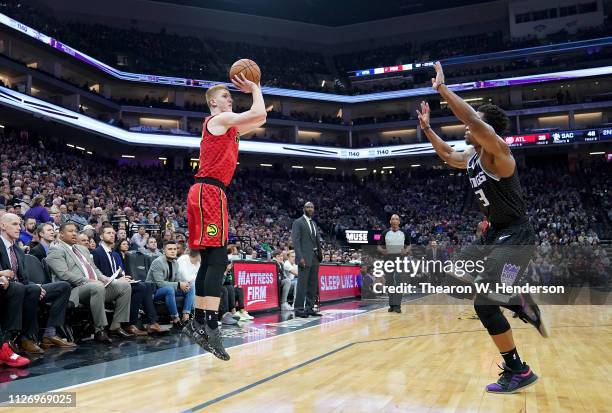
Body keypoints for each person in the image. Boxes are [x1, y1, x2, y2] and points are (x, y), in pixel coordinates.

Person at [415, 61, 547, 394]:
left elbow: (473, 119)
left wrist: (442, 90)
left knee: (484, 303)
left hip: (516, 236)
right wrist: (428, 128)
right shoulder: (472, 157)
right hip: (493, 235)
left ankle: (518, 369)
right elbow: (446, 154)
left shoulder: (498, 154)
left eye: (476, 125)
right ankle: (517, 300)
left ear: (487, 130)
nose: (467, 128)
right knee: (452, 277)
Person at [182, 75, 267, 361]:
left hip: (209, 192)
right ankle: (208, 324)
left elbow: (259, 121)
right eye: (226, 97)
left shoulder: (228, 127)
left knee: (211, 260)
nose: (230, 100)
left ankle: (201, 323)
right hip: (209, 191)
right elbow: (258, 113)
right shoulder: (216, 120)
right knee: (218, 260)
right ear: (213, 103)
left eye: (231, 98)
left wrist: (258, 102)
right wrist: (254, 87)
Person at [46, 222, 133, 344]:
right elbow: (63, 274)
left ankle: (116, 325)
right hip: (74, 289)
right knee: (96, 286)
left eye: (75, 231)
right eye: (70, 231)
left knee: (124, 286)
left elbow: (93, 268)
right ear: (61, 234)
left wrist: (104, 278)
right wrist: (87, 280)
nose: (74, 233)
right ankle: (100, 330)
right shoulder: (56, 249)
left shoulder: (82, 249)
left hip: (95, 286)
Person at [1, 214, 74, 353]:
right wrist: (33, 287)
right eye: (15, 224)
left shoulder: (18, 250)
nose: (19, 228)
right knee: (31, 290)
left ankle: (50, 333)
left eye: (19, 224)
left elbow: (24, 278)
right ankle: (25, 338)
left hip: (24, 287)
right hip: (7, 289)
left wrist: (36, 285)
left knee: (63, 286)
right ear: (3, 226)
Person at [92, 224, 158, 336]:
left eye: (113, 233)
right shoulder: (97, 252)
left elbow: (119, 272)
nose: (112, 235)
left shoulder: (114, 254)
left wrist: (126, 278)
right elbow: (98, 274)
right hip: (106, 286)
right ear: (101, 236)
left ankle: (151, 322)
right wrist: (119, 280)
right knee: (140, 288)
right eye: (108, 233)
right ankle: (130, 324)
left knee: (145, 285)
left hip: (117, 283)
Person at [146, 241, 194, 330]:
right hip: (154, 292)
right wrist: (179, 284)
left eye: (175, 249)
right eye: (170, 249)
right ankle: (175, 319)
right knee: (169, 289)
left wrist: (184, 284)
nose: (173, 251)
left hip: (169, 289)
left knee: (191, 287)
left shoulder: (175, 263)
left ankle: (186, 316)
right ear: (164, 251)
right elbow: (160, 283)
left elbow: (177, 280)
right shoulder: (158, 262)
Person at [291, 202, 323, 318]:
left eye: (312, 207)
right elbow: (296, 241)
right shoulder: (298, 222)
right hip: (304, 257)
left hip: (315, 257)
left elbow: (316, 241)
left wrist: (320, 255)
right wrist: (300, 257)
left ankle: (309, 308)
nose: (310, 209)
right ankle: (299, 309)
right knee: (302, 284)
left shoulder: (313, 223)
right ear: (304, 209)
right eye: (308, 207)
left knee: (312, 284)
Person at [377, 214, 410, 313]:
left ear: (399, 222)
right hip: (388, 259)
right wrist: (383, 251)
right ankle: (391, 304)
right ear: (390, 221)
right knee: (389, 282)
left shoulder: (404, 232)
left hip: (400, 259)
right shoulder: (385, 232)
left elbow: (409, 245)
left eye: (396, 219)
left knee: (399, 280)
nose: (395, 221)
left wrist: (406, 251)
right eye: (393, 219)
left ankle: (398, 305)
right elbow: (379, 246)